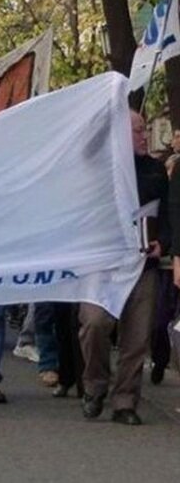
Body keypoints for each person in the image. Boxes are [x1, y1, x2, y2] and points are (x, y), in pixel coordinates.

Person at [79, 110, 168, 425]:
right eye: (138, 131)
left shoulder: (155, 170)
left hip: (142, 266)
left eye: (145, 129)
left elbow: (168, 213)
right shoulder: (97, 168)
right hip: (103, 266)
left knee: (136, 337)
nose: (146, 136)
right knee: (94, 325)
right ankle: (95, 385)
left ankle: (125, 401)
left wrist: (164, 242)